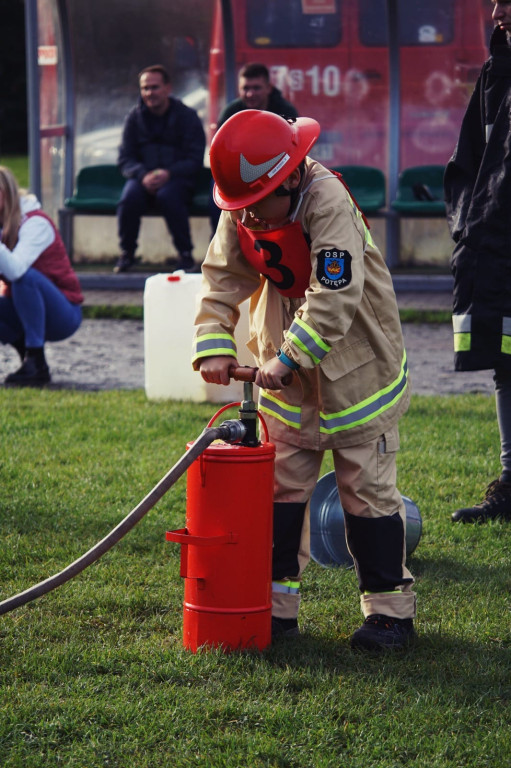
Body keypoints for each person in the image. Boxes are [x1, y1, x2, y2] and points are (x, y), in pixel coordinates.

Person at [192, 110, 417, 651]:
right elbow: (223, 275)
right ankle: (275, 609)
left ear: (289, 179)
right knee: (279, 494)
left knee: (366, 493)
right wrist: (215, 344)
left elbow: (335, 298)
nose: (246, 221)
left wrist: (287, 359)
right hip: (287, 377)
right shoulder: (249, 199)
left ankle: (389, 614)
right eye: (237, 211)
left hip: (356, 367)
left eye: (254, 209)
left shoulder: (327, 200)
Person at [445, 1, 511, 524]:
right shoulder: (495, 71)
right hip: (494, 243)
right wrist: (467, 224)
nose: (497, 12)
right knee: (505, 358)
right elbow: (468, 159)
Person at [115, 64, 206, 274]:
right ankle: (126, 254)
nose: (149, 93)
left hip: (178, 178)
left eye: (154, 87)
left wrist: (170, 173)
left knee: (169, 197)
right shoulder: (133, 118)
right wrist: (142, 174)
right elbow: (125, 158)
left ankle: (185, 256)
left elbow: (194, 158)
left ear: (168, 88)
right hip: (142, 179)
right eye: (145, 88)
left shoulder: (187, 116)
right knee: (129, 198)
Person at [0, 166, 83, 386]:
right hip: (24, 308)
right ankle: (29, 359)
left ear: (5, 194)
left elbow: (15, 270)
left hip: (63, 314)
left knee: (25, 278)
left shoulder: (36, 223)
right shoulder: (4, 225)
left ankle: (36, 360)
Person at [209, 63, 299, 235]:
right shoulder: (231, 112)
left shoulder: (285, 111)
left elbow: (297, 149)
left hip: (279, 173)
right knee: (217, 199)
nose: (250, 93)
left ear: (268, 88)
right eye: (245, 88)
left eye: (256, 88)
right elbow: (219, 152)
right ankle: (222, 241)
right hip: (236, 173)